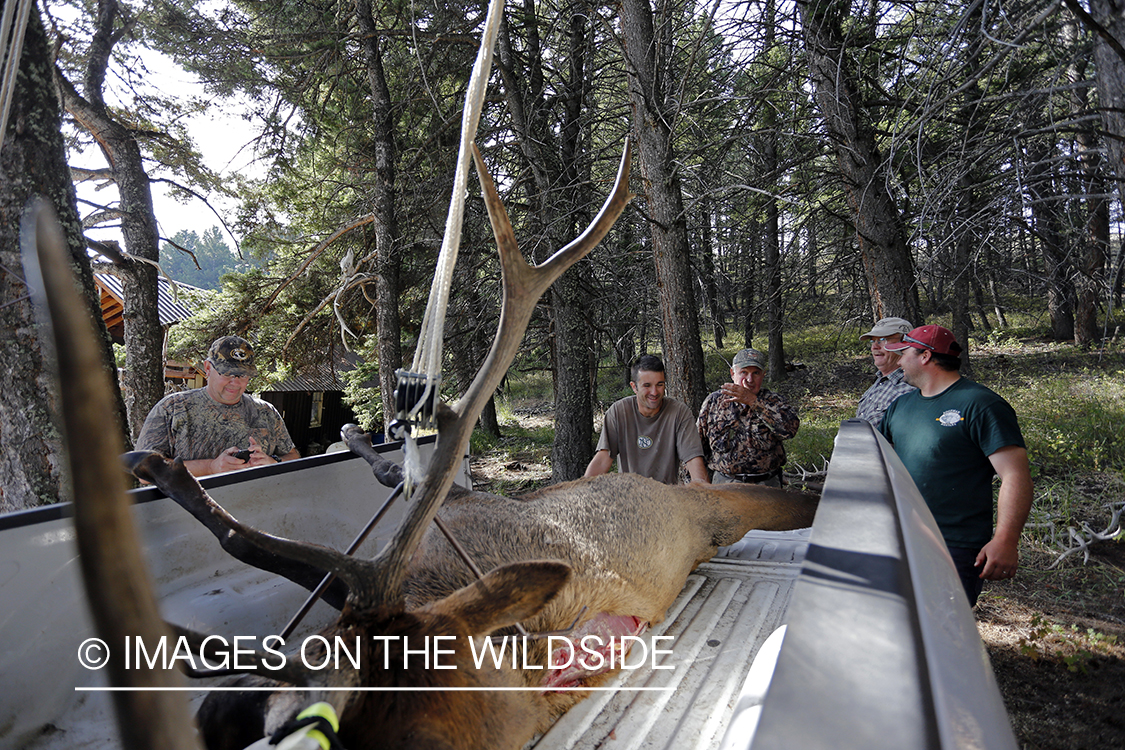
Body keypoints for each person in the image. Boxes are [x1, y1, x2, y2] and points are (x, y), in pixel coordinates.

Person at [879, 325, 1033, 606]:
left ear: (925, 356)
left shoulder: (981, 405)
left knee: (943, 631)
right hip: (900, 536)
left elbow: (1015, 476)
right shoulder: (899, 408)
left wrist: (1006, 540)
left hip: (954, 545)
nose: (898, 361)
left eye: (903, 353)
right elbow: (883, 467)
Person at [135, 336, 300, 477]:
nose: (235, 382)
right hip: (190, 510)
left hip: (254, 507)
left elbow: (293, 457)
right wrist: (210, 467)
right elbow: (143, 469)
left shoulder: (266, 412)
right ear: (207, 368)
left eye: (242, 375)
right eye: (227, 373)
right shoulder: (172, 409)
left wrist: (274, 462)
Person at [584, 354, 708, 484]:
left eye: (659, 384)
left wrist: (704, 494)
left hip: (666, 497)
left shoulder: (679, 413)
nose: (654, 392)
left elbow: (693, 459)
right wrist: (583, 491)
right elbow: (603, 458)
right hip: (629, 496)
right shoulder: (618, 412)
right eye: (647, 385)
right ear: (634, 387)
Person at [697, 348, 799, 487]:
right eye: (744, 372)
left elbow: (789, 430)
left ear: (763, 375)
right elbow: (697, 447)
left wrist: (753, 402)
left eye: (755, 373)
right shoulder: (714, 402)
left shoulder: (774, 401)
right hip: (725, 483)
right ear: (733, 374)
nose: (749, 380)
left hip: (766, 484)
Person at [856, 316, 917, 427]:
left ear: (904, 343)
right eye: (873, 341)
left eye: (882, 340)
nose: (874, 347)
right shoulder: (880, 382)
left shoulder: (910, 388)